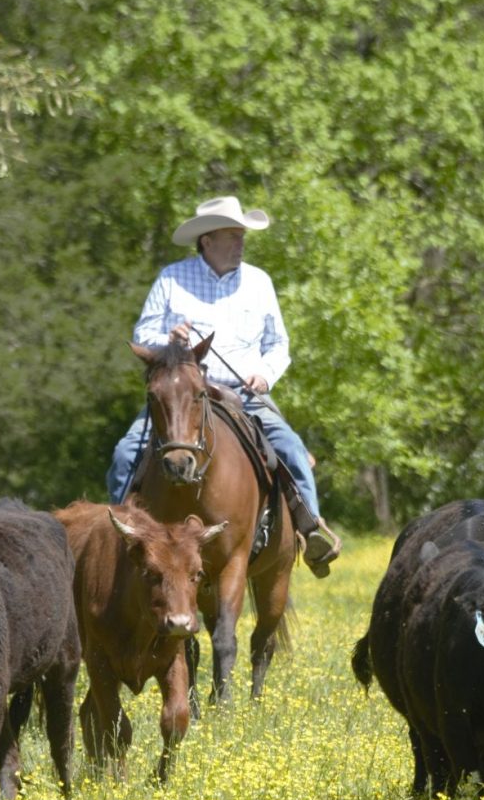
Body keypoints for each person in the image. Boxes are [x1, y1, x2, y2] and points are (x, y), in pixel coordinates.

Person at [107, 195, 342, 575]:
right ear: (206, 241)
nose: (240, 244)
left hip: (243, 395)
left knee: (293, 451)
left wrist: (264, 374)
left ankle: (311, 529)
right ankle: (119, 537)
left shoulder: (259, 283)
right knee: (125, 454)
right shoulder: (171, 278)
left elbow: (278, 344)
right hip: (182, 396)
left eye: (242, 236)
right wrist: (168, 335)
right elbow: (142, 335)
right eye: (232, 236)